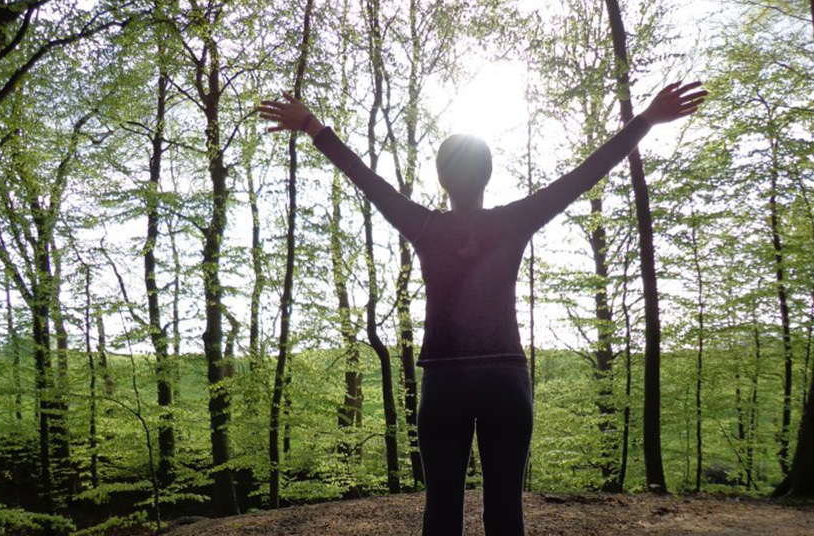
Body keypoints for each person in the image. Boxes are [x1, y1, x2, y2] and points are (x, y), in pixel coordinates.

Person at [259, 81, 706, 536]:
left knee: (441, 516)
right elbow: (583, 176)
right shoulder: (514, 221)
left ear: (442, 179)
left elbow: (368, 181)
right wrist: (646, 119)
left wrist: (313, 127)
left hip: (444, 382)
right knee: (506, 516)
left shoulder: (425, 226)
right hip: (506, 382)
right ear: (487, 176)